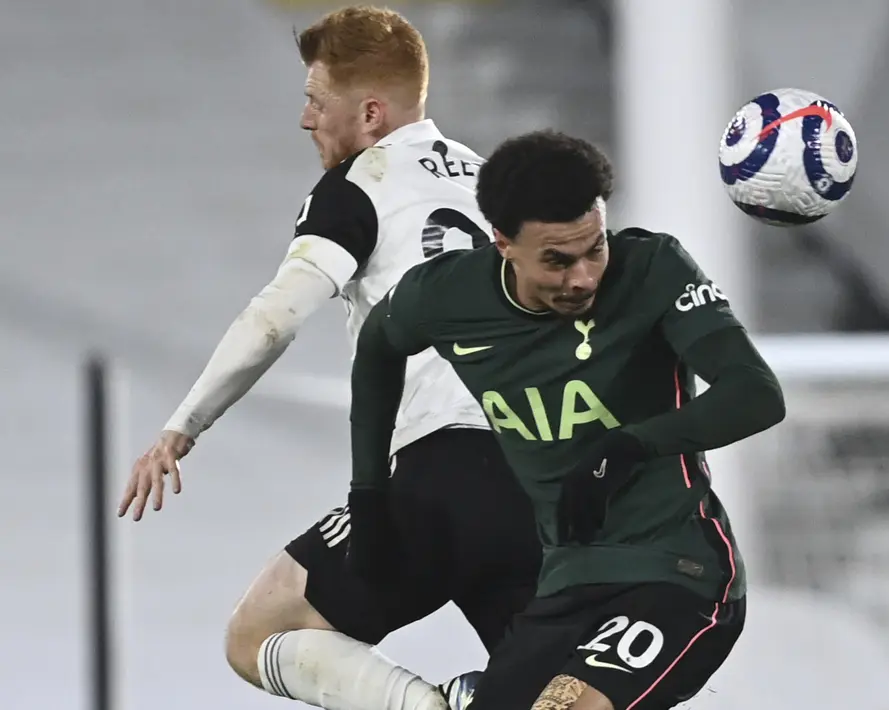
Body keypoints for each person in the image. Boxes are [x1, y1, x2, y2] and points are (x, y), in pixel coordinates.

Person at [115, 7, 541, 710]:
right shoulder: (505, 185)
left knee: (255, 636)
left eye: (316, 101)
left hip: (440, 472)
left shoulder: (358, 187)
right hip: (542, 480)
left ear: (370, 113)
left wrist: (181, 427)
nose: (307, 120)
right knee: (554, 692)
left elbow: (275, 318)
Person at [347, 129, 786, 710]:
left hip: (678, 572)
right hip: (565, 585)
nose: (583, 277)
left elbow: (755, 393)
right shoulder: (446, 297)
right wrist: (369, 493)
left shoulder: (654, 269)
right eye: (557, 260)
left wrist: (627, 447)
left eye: (594, 249)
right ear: (501, 241)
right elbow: (377, 351)